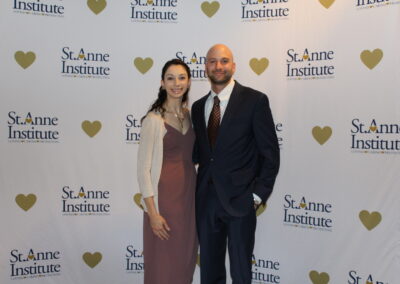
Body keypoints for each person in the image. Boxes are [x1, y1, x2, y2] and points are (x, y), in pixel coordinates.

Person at [191, 44, 280, 284]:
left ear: (233, 66)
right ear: (205, 67)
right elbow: (202, 154)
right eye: (212, 61)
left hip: (241, 201)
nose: (218, 66)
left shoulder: (255, 101)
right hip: (206, 201)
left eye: (223, 61)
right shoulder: (198, 107)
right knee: (209, 271)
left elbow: (270, 154)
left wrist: (257, 196)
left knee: (241, 272)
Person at [137, 59, 197, 284]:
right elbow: (143, 170)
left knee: (184, 266)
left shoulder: (191, 116)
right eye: (170, 78)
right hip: (163, 205)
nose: (176, 83)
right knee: (162, 267)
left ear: (188, 82)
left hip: (189, 204)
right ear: (162, 83)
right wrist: (152, 214)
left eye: (181, 77)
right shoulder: (154, 120)